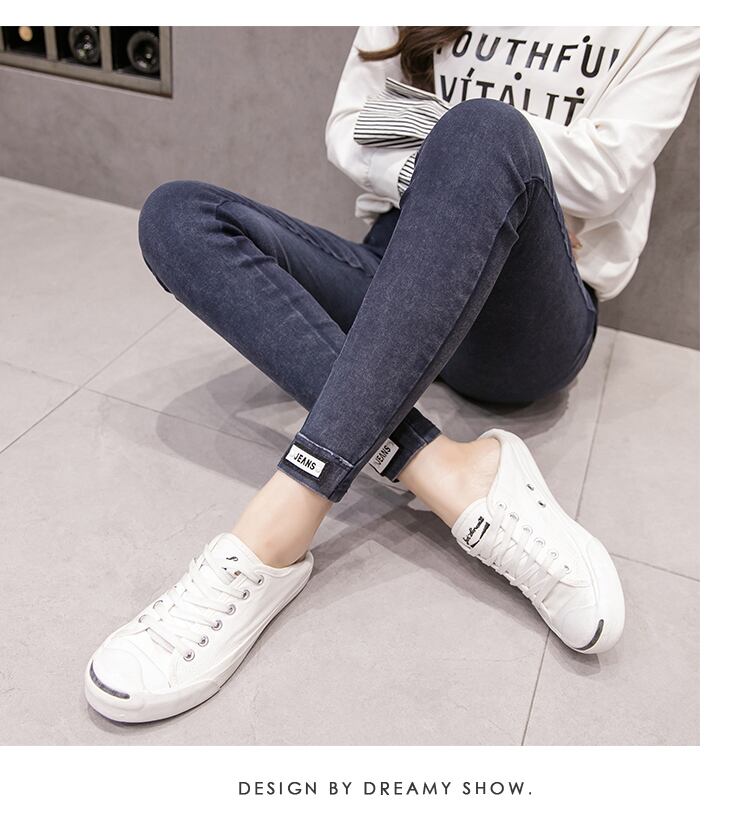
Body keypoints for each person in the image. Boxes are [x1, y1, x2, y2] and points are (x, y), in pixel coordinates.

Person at [84, 26, 700, 723]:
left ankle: (272, 536)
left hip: (527, 314)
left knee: (487, 130)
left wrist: (476, 162)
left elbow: (607, 173)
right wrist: (453, 179)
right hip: (400, 269)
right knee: (178, 216)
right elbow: (350, 129)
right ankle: (445, 469)